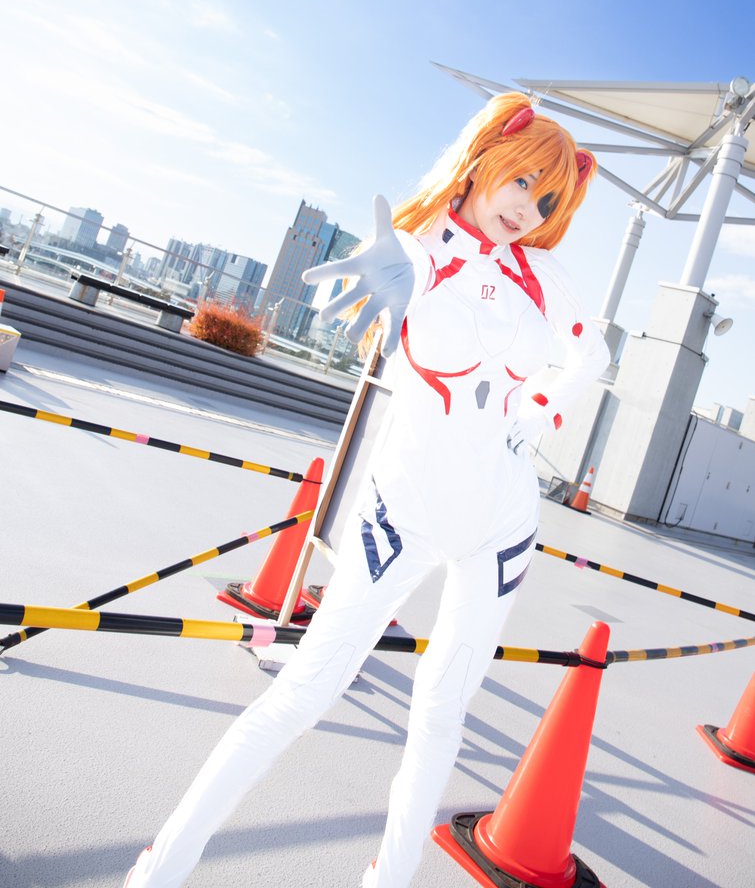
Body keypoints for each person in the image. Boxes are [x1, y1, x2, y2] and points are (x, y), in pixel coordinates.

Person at [124, 92, 609, 888]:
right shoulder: (415, 250)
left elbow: (592, 358)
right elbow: (378, 284)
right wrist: (387, 286)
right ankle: (159, 870)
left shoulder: (538, 273)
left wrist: (536, 414)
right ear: (484, 159)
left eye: (549, 199)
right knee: (300, 694)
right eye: (522, 180)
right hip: (404, 510)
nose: (529, 208)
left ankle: (390, 879)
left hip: (502, 519)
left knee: (441, 713)